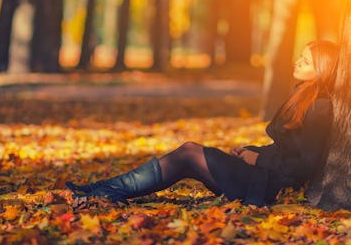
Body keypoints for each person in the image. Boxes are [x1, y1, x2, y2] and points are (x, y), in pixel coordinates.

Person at [66, 40, 339, 207]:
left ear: (323, 68)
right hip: (261, 174)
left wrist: (257, 160)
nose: (297, 62)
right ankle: (97, 190)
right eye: (300, 56)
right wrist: (250, 151)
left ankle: (101, 191)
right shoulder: (304, 96)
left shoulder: (320, 107)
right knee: (186, 157)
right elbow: (287, 147)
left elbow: (305, 164)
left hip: (267, 186)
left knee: (188, 151)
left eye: (305, 61)